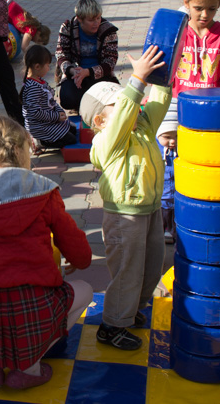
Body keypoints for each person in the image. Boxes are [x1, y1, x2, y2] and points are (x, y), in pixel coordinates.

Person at [0, 114, 93, 389]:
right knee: (85, 290)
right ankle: (29, 367)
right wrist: (73, 256)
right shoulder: (45, 192)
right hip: (34, 310)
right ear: (24, 151)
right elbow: (82, 256)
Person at [80, 46, 171, 350]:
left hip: (150, 209)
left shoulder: (142, 129)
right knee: (128, 271)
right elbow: (123, 117)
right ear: (101, 122)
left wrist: (160, 77)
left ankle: (129, 311)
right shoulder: (107, 142)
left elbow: (157, 103)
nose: (132, 107)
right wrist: (137, 80)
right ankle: (112, 325)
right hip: (124, 216)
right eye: (120, 106)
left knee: (151, 266)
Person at [55, 0, 119, 111]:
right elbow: (61, 55)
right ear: (79, 19)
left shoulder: (108, 31)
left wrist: (88, 72)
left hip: (101, 75)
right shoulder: (67, 28)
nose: (96, 23)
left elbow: (110, 62)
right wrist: (72, 71)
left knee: (116, 98)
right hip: (75, 74)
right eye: (91, 20)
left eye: (98, 18)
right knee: (67, 99)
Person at [21, 45, 77, 152]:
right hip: (40, 127)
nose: (49, 68)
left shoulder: (40, 81)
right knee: (71, 140)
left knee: (73, 130)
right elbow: (35, 113)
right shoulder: (32, 87)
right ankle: (39, 141)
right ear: (37, 67)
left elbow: (51, 102)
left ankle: (47, 138)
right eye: (47, 65)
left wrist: (59, 112)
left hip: (48, 121)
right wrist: (56, 117)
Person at [156, 106, 177, 244]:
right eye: (167, 137)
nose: (172, 141)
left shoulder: (184, 148)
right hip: (159, 200)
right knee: (157, 229)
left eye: (176, 136)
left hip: (177, 200)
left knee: (178, 228)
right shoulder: (154, 148)